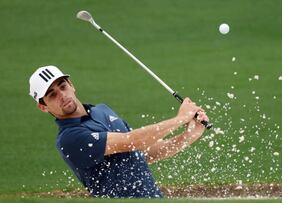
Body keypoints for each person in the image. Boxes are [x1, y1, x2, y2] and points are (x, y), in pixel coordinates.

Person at [29, 65, 209, 198]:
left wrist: (189, 135)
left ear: (71, 84)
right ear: (43, 107)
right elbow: (131, 141)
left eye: (62, 86)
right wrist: (180, 119)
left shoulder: (101, 110)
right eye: (52, 94)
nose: (62, 95)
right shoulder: (69, 139)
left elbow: (142, 152)